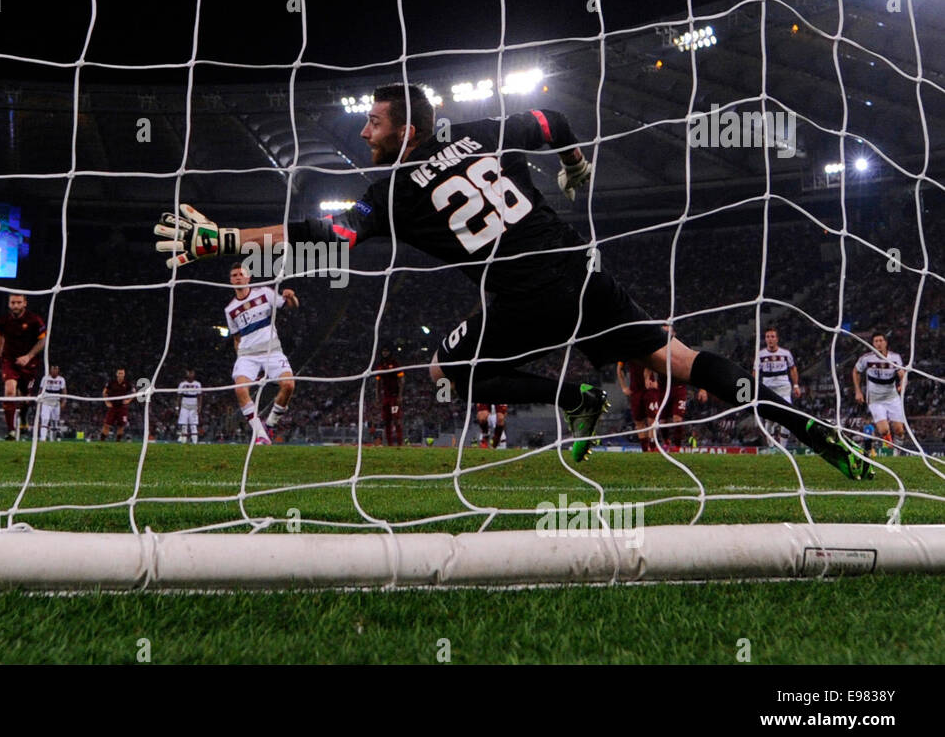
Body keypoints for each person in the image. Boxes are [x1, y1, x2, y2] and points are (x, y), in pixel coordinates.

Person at [155, 83, 873, 479]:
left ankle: (580, 394)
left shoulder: (396, 189)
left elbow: (326, 239)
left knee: (455, 366)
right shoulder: (480, 131)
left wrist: (224, 238)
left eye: (374, 122)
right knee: (677, 359)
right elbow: (551, 117)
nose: (366, 131)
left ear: (405, 132)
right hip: (582, 271)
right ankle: (803, 425)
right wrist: (576, 165)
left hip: (530, 293)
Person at [224, 263, 298, 444]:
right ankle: (260, 434)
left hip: (272, 351)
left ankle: (270, 424)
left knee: (289, 385)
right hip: (247, 355)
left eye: (241, 274)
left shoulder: (264, 293)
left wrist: (291, 297)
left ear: (248, 277)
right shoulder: (230, 309)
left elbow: (291, 306)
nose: (238, 278)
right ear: (231, 280)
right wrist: (240, 359)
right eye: (234, 275)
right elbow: (236, 338)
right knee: (240, 389)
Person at [0, 293, 46, 440]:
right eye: (13, 303)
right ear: (9, 304)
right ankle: (10, 430)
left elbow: (42, 341)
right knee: (9, 391)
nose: (15, 305)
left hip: (29, 363)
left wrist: (28, 356)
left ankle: (23, 418)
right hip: (9, 360)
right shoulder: (3, 321)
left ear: (24, 303)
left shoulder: (34, 320)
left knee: (25, 398)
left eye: (18, 302)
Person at [853, 332, 908, 456]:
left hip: (892, 396)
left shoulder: (895, 357)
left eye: (880, 340)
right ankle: (889, 446)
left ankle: (897, 452)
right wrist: (858, 391)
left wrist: (902, 385)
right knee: (884, 430)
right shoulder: (866, 358)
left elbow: (902, 374)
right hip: (875, 398)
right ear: (873, 344)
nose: (878, 343)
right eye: (876, 341)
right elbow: (856, 371)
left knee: (899, 430)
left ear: (885, 343)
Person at [754, 327, 801, 448]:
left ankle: (783, 447)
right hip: (767, 388)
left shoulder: (785, 354)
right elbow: (755, 372)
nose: (770, 339)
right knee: (769, 419)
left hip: (783, 387)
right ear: (765, 339)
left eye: (772, 337)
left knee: (787, 415)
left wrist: (796, 385)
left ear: (777, 339)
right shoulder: (760, 355)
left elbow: (793, 368)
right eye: (767, 337)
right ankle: (771, 446)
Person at [374, 347, 405, 446]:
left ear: (390, 352)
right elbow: (378, 381)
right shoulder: (380, 365)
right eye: (383, 351)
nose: (385, 352)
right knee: (387, 420)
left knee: (396, 419)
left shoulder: (395, 363)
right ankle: (390, 444)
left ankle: (400, 443)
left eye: (386, 350)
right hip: (386, 397)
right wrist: (377, 396)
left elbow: (401, 380)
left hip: (394, 397)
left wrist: (400, 395)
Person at [101, 368, 133, 441]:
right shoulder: (112, 382)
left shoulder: (127, 383)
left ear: (124, 374)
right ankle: (102, 441)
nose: (120, 375)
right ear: (116, 374)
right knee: (107, 424)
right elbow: (104, 392)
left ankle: (118, 442)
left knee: (121, 425)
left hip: (122, 407)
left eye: (122, 373)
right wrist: (107, 402)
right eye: (119, 373)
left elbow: (134, 392)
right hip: (113, 406)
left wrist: (129, 400)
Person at [39, 365, 66, 441]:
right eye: (53, 369)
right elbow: (41, 390)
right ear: (50, 370)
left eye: (56, 369)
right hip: (46, 402)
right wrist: (40, 401)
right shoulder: (45, 378)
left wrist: (64, 401)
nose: (54, 371)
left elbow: (64, 391)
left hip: (56, 402)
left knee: (55, 421)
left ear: (58, 370)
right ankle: (43, 438)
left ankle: (53, 439)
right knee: (45, 419)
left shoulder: (61, 379)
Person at [177, 368, 203, 444]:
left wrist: (199, 406)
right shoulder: (182, 384)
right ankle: (183, 441)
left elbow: (200, 396)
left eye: (192, 373)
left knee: (193, 424)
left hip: (194, 406)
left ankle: (195, 442)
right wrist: (177, 407)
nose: (190, 374)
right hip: (184, 405)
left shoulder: (197, 384)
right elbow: (179, 396)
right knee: (184, 425)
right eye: (189, 373)